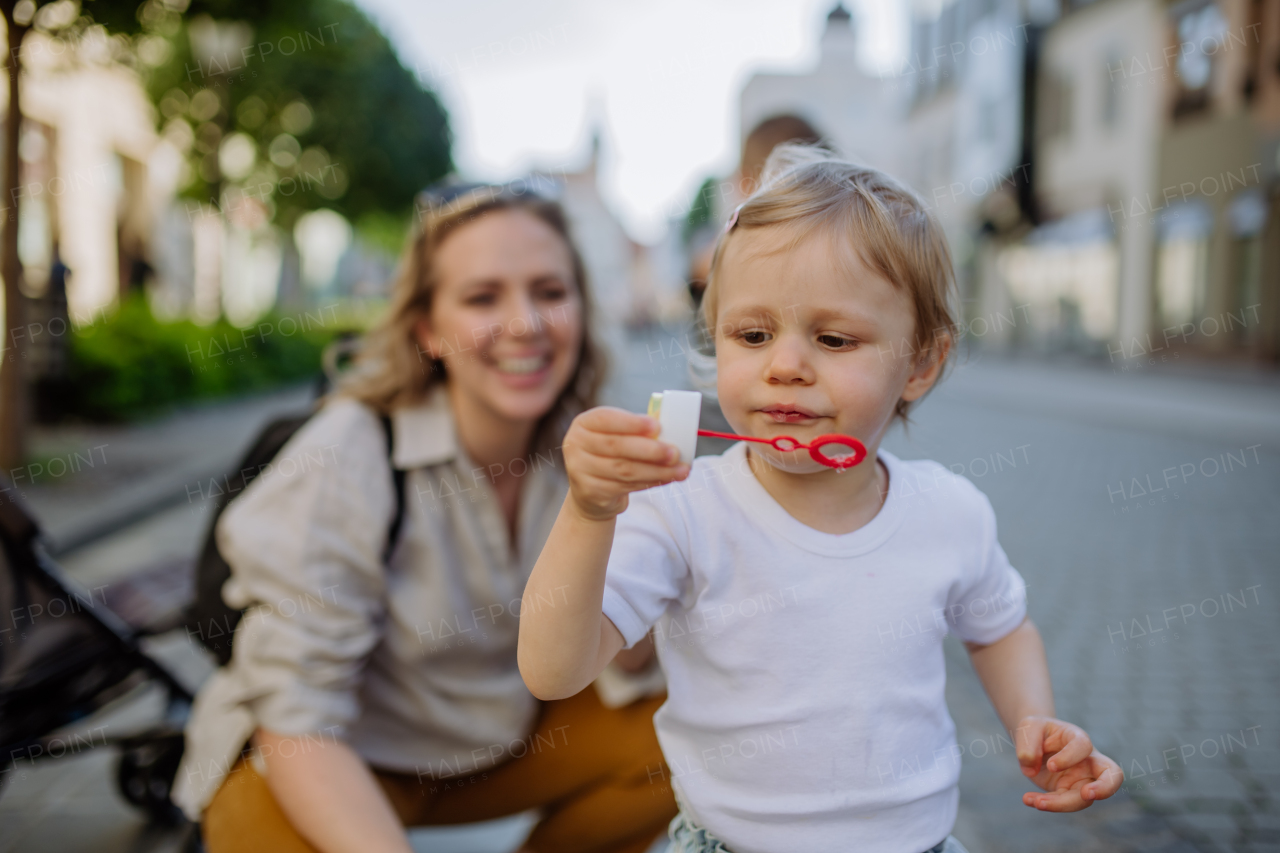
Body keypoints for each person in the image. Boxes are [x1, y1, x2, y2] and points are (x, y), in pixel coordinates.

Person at [517, 146, 1124, 853]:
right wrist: (588, 513)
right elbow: (553, 669)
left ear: (921, 363)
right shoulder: (682, 507)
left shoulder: (951, 512)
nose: (785, 366)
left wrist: (1035, 717)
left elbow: (1000, 627)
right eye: (752, 334)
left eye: (833, 338)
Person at [173, 184, 676, 853]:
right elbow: (295, 719)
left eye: (551, 291)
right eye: (482, 297)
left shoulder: (584, 446)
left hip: (492, 736)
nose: (526, 322)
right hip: (321, 756)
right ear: (428, 330)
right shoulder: (348, 453)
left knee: (693, 733)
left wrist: (639, 541)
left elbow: (623, 662)